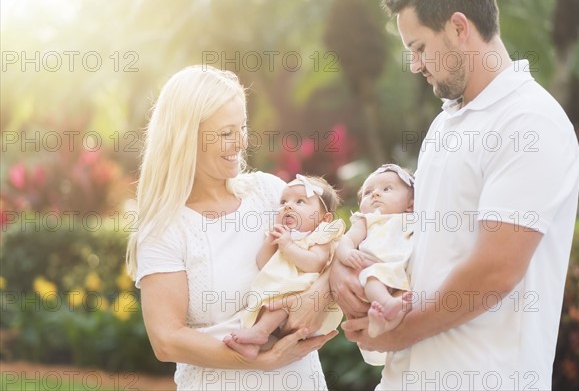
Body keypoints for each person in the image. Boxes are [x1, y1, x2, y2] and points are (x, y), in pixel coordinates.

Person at [331, 0, 579, 390]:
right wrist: (346, 265)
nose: (414, 64)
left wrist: (402, 331)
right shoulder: (445, 125)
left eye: (419, 47)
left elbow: (494, 271)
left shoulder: (530, 122)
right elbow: (416, 243)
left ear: (459, 28)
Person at [126, 65, 337, 390]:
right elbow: (166, 340)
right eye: (226, 133)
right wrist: (262, 361)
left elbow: (333, 248)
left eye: (242, 127)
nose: (241, 142)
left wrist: (317, 296)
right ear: (185, 138)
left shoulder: (270, 193)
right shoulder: (165, 228)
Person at [225, 174, 345, 359]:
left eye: (300, 201)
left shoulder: (320, 236)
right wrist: (270, 243)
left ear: (324, 218)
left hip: (303, 298)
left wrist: (288, 246)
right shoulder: (284, 235)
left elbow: (316, 263)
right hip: (283, 297)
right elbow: (263, 264)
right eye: (283, 201)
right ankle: (255, 345)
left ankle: (260, 332)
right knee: (266, 303)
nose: (288, 206)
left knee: (282, 300)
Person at [336, 164, 415, 339]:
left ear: (411, 204)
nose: (375, 194)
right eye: (367, 192)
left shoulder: (414, 219)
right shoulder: (367, 220)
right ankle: (386, 304)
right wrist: (347, 253)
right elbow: (346, 239)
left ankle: (382, 324)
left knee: (406, 298)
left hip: (403, 273)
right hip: (375, 268)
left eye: (387, 189)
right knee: (373, 277)